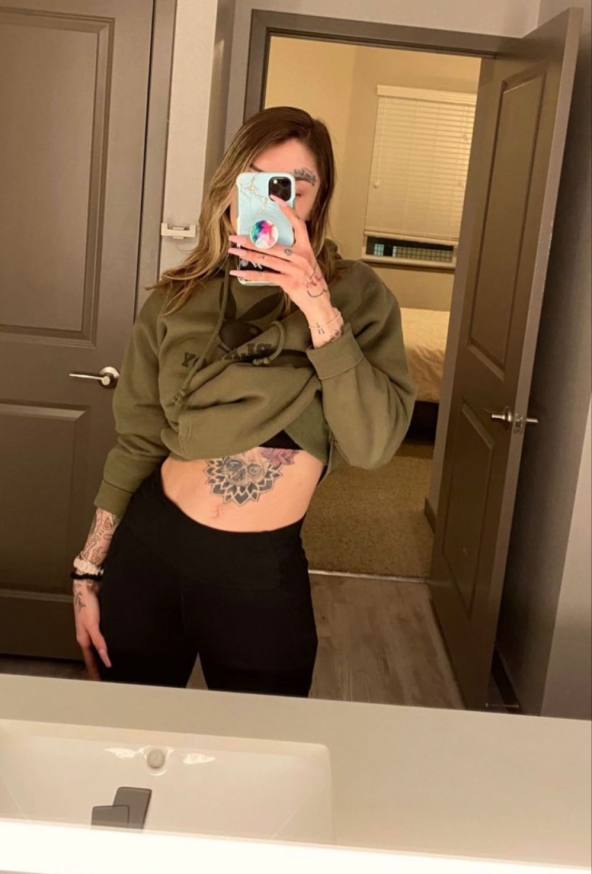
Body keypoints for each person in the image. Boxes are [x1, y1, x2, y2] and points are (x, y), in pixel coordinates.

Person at [72, 106, 416, 697]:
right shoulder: (178, 299)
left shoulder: (358, 298)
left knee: (262, 743)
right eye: (258, 182)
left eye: (295, 188)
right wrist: (88, 569)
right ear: (231, 190)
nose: (276, 203)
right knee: (126, 733)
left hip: (260, 574)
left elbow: (373, 445)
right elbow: (137, 440)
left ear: (318, 200)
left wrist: (316, 304)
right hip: (150, 553)